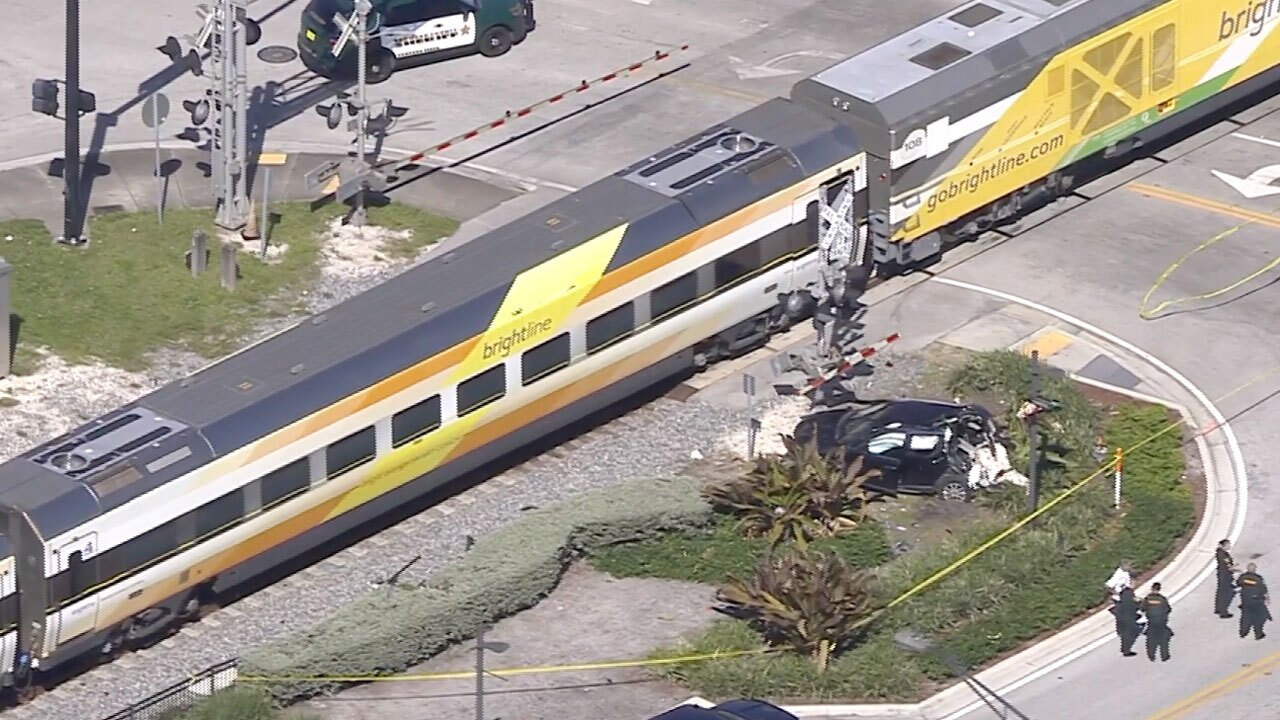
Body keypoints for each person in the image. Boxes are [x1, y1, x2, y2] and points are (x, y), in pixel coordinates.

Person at [1237, 562, 1271, 640]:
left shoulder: (1242, 577)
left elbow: (1239, 584)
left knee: (1245, 617)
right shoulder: (1258, 578)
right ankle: (1258, 634)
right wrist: (1267, 599)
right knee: (1258, 618)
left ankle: (1243, 633)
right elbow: (1263, 589)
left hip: (1246, 601)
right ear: (1255, 569)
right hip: (1257, 601)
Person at [1143, 582, 1173, 662]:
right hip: (1162, 621)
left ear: (1152, 588)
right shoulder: (1162, 599)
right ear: (1159, 589)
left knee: (1151, 640)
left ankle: (1151, 656)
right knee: (1163, 640)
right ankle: (1164, 656)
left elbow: (1142, 608)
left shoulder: (1147, 598)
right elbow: (1168, 609)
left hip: (1152, 621)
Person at [1113, 585, 1141, 657]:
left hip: (1121, 621)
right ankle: (1126, 650)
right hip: (1128, 621)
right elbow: (1139, 606)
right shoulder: (1131, 602)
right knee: (1131, 634)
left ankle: (1125, 649)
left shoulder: (1120, 603)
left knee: (1125, 635)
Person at [1215, 539, 1238, 618]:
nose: (1229, 546)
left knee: (1220, 593)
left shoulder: (1219, 552)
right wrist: (1237, 569)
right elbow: (1229, 567)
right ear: (1224, 545)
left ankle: (1218, 609)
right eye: (1228, 544)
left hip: (1221, 575)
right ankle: (1223, 612)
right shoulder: (1224, 555)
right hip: (1225, 576)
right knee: (1226, 595)